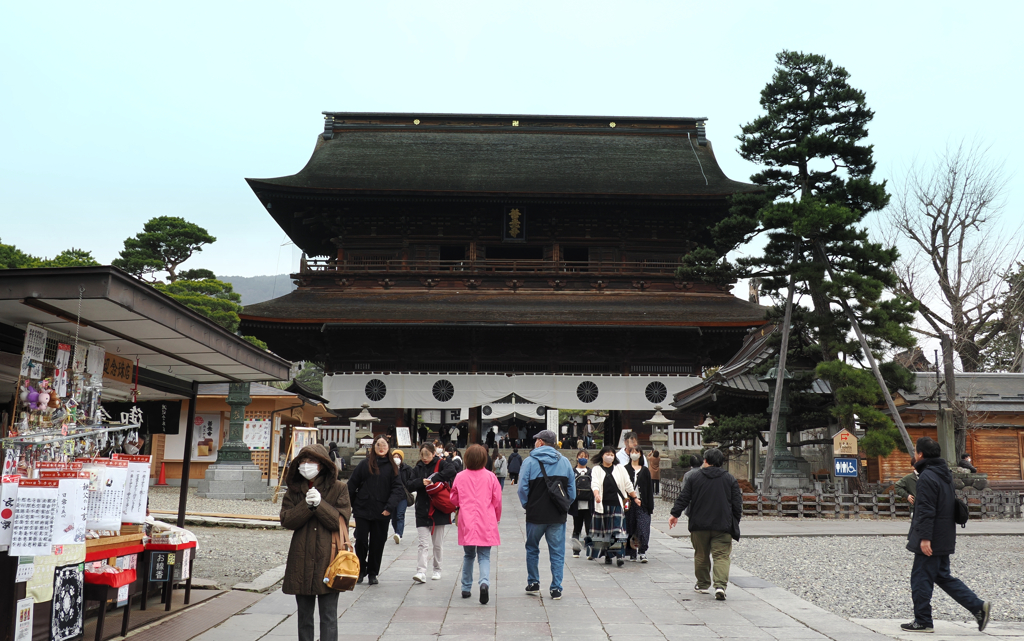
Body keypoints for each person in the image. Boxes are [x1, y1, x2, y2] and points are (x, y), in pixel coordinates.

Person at [901, 437, 991, 633]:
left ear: (921, 455)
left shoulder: (926, 477)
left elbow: (926, 509)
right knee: (942, 576)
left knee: (920, 578)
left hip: (931, 537)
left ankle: (923, 620)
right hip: (944, 534)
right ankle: (978, 607)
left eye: (916, 451)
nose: (914, 455)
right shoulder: (944, 474)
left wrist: (925, 538)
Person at [280, 444, 351, 641]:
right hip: (301, 560)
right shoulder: (294, 490)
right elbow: (287, 520)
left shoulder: (339, 489)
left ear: (322, 464)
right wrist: (306, 505)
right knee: (304, 617)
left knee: (328, 616)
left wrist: (320, 505)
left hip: (328, 559)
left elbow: (339, 522)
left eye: (311, 461)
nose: (306, 465)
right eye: (302, 461)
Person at [669, 448, 742, 601]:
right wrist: (734, 521)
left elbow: (684, 497)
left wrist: (675, 514)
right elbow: (737, 504)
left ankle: (703, 584)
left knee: (701, 555)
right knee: (721, 556)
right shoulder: (729, 479)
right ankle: (720, 585)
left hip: (699, 524)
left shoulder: (695, 478)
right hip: (722, 524)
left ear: (706, 461)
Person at [517, 429, 576, 600]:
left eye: (536, 440)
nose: (535, 442)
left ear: (541, 442)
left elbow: (522, 488)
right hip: (557, 515)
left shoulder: (529, 462)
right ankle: (556, 588)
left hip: (535, 514)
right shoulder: (564, 462)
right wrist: (564, 504)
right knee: (557, 551)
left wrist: (528, 505)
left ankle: (534, 582)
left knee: (532, 548)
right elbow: (571, 491)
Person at [346, 436, 405, 585]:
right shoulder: (364, 464)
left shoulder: (392, 467)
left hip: (382, 511)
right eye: (378, 445)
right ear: (374, 447)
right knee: (361, 541)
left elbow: (397, 489)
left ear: (388, 448)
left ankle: (373, 572)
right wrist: (351, 505)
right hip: (363, 509)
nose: (381, 447)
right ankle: (360, 570)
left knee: (377, 543)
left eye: (384, 445)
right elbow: (351, 486)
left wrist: (389, 507)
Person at [450, 444, 503, 604]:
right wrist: (497, 517)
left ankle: (466, 587)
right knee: (484, 556)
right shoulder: (491, 477)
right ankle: (484, 583)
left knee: (469, 555)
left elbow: (453, 498)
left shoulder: (460, 476)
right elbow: (497, 500)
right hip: (486, 519)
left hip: (467, 519)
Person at [407, 443, 456, 583]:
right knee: (423, 543)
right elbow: (409, 485)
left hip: (438, 510)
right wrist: (421, 482)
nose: (425, 458)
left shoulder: (442, 464)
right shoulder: (418, 468)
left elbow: (452, 470)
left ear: (434, 453)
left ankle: (437, 569)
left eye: (427, 454)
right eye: (422, 455)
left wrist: (434, 479)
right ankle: (421, 571)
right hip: (422, 509)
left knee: (437, 543)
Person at [589, 445, 637, 566]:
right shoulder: (596, 469)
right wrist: (596, 495)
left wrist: (635, 497)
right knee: (606, 532)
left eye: (612, 454)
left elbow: (628, 484)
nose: (610, 457)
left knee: (618, 531)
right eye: (607, 454)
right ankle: (608, 555)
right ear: (602, 455)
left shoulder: (620, 468)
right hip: (602, 505)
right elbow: (594, 483)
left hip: (617, 504)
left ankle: (620, 555)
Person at [625, 446, 654, 563]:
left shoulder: (645, 470)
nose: (634, 454)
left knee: (643, 527)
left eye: (636, 452)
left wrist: (649, 506)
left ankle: (642, 551)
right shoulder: (625, 469)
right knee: (630, 527)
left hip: (642, 504)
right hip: (630, 504)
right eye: (632, 452)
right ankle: (631, 552)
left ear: (641, 454)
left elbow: (649, 489)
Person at [569, 450, 593, 559]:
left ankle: (590, 550)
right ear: (577, 457)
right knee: (577, 528)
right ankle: (576, 550)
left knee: (589, 529)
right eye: (581, 456)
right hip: (576, 505)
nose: (583, 458)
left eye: (585, 457)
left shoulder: (591, 472)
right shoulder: (572, 471)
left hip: (589, 505)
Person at [391, 449, 414, 544]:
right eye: (394, 456)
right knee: (393, 517)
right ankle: (397, 530)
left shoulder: (406, 469)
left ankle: (399, 534)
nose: (396, 458)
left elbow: (411, 480)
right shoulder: (389, 469)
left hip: (403, 496)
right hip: (392, 496)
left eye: (398, 457)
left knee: (400, 515)